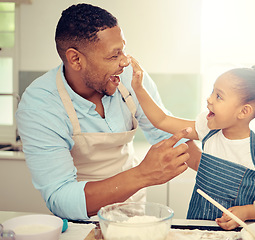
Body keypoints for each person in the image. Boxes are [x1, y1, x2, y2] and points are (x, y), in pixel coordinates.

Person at [15, 3, 201, 220]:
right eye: (114, 56)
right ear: (76, 59)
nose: (125, 61)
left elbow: (168, 135)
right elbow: (60, 197)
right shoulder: (40, 104)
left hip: (133, 209)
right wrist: (143, 174)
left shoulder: (129, 77)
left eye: (123, 50)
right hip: (83, 219)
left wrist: (226, 179)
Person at [131, 60, 255, 230]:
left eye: (218, 96)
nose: (209, 99)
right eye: (212, 92)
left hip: (240, 233)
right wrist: (139, 89)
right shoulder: (207, 130)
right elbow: (162, 120)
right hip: (198, 228)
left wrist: (246, 211)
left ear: (244, 111)